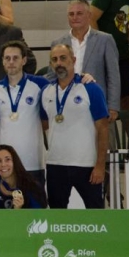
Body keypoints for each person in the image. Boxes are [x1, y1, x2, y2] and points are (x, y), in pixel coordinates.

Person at [42, 44, 109, 209]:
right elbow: (43, 124)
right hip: (55, 164)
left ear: (73, 60)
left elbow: (103, 128)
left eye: (63, 58)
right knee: (58, 217)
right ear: (51, 64)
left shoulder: (90, 88)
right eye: (54, 59)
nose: (59, 63)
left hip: (86, 165)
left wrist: (100, 165)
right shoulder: (46, 91)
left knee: (96, 215)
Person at [0, 41, 49, 187]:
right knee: (5, 207)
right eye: (7, 58)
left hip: (33, 160)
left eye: (15, 58)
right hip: (4, 165)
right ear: (2, 61)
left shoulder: (40, 84)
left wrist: (83, 78)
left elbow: (63, 85)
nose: (11, 62)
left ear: (24, 60)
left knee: (35, 208)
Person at [49, 0, 121, 121]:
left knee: (102, 138)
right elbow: (52, 76)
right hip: (66, 103)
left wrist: (113, 106)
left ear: (89, 15)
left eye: (79, 13)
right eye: (71, 14)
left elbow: (113, 75)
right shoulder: (58, 43)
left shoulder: (105, 40)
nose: (75, 17)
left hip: (96, 103)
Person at [0, 145, 47, 209]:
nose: (3, 164)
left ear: (15, 161)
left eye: (7, 159)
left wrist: (19, 211)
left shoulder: (32, 187)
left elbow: (38, 216)